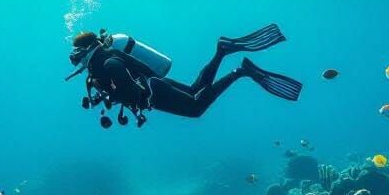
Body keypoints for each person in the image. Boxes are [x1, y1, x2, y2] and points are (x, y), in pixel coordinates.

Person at [66, 24, 301, 127]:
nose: (75, 60)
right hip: (154, 84)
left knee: (195, 108)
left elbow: (120, 75)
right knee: (193, 91)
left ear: (86, 50)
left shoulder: (104, 60)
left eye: (76, 54)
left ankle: (240, 72)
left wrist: (132, 97)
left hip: (152, 92)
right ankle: (221, 51)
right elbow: (121, 80)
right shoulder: (102, 58)